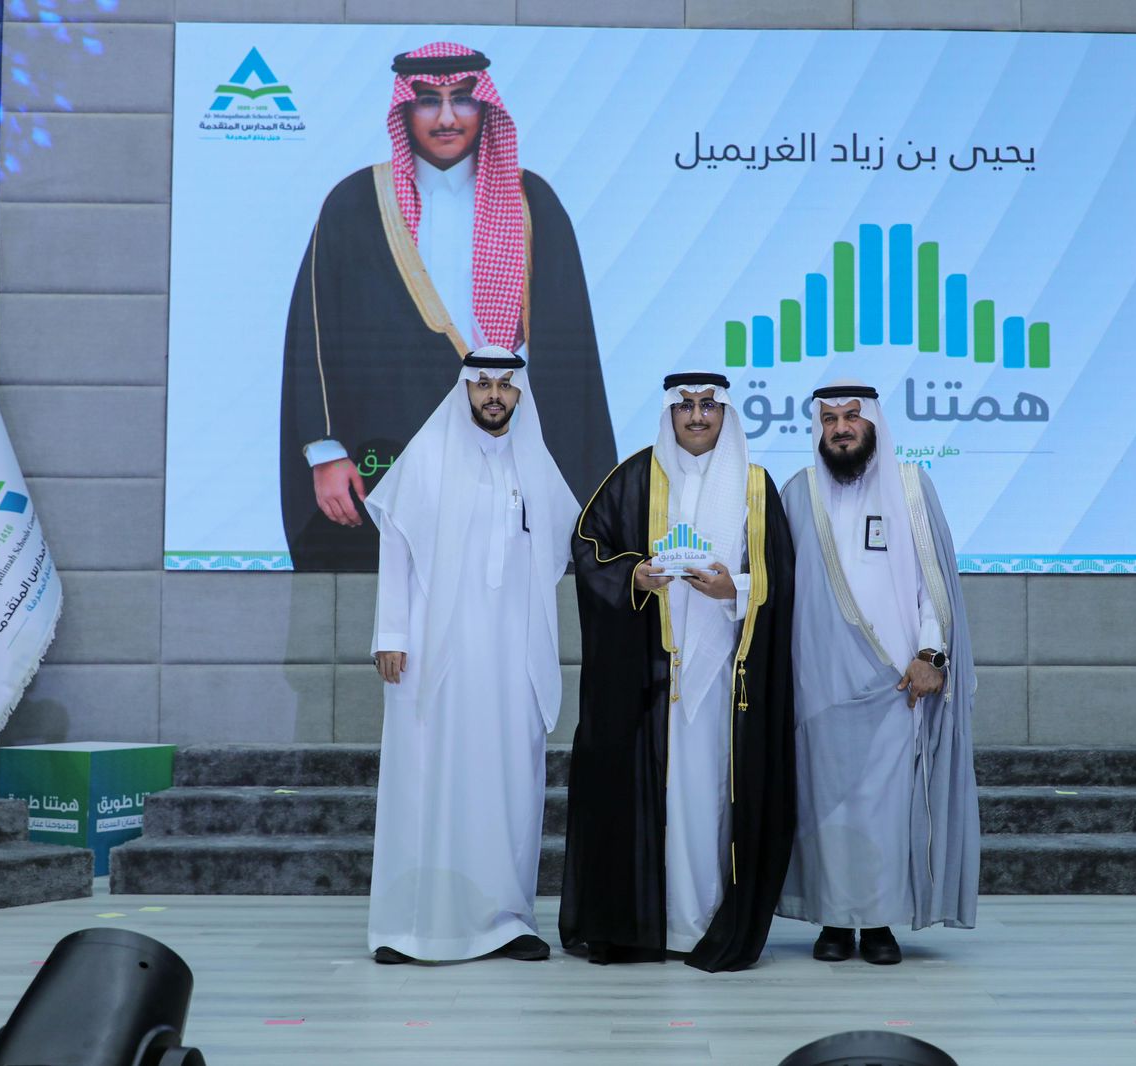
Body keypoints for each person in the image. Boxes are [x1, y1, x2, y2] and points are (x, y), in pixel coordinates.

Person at [281, 41, 614, 571]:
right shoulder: (356, 202)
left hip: (510, 446)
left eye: (461, 98)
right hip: (390, 446)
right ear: (404, 109)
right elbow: (314, 333)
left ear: (484, 107)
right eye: (427, 100)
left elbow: (573, 355)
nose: (446, 118)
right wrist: (325, 451)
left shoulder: (533, 203)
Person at [560, 372, 796, 972]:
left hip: (726, 681)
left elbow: (782, 577)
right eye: (685, 406)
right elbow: (588, 548)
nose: (696, 416)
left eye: (708, 406)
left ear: (725, 414)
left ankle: (709, 921)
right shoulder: (634, 477)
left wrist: (735, 589)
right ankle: (650, 924)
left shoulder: (755, 485)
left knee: (713, 797)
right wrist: (634, 576)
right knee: (656, 797)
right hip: (650, 680)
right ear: (669, 414)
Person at [363, 346, 578, 963]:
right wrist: (391, 633)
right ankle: (410, 926)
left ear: (519, 394)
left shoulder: (535, 464)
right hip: (435, 653)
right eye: (483, 384)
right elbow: (395, 546)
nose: (494, 395)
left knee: (509, 784)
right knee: (426, 779)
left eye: (504, 386)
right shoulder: (427, 456)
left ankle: (506, 920)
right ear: (465, 389)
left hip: (512, 658)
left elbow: (573, 542)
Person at [776, 381, 980, 965]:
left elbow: (933, 587)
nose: (841, 428)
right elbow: (775, 585)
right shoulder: (797, 494)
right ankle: (834, 921)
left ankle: (880, 923)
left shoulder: (911, 487)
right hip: (817, 684)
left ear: (873, 425)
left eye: (852, 418)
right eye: (830, 419)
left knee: (886, 809)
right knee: (826, 807)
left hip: (897, 684)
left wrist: (931, 655)